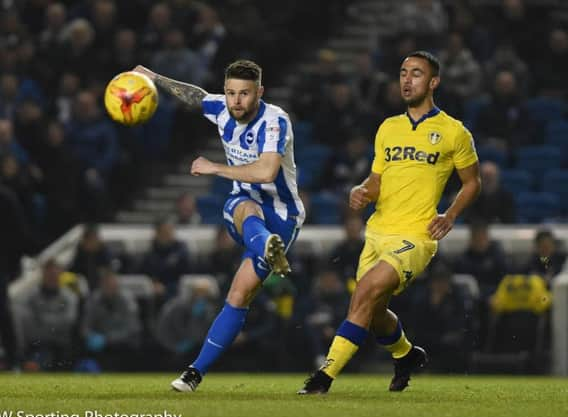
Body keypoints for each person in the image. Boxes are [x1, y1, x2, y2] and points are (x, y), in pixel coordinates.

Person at [298, 51, 480, 394]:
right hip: (377, 231)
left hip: (416, 235)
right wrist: (361, 190)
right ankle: (406, 354)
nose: (407, 80)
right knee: (373, 309)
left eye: (416, 74)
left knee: (364, 293)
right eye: (402, 73)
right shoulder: (388, 127)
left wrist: (451, 214)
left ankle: (323, 378)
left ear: (433, 82)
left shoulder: (454, 132)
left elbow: (472, 183)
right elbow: (376, 180)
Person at [134, 59, 304, 392]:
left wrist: (214, 168)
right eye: (230, 93)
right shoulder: (222, 108)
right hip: (247, 210)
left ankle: (194, 373)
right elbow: (196, 97)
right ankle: (267, 247)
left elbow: (267, 172)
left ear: (260, 92)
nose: (236, 101)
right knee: (244, 204)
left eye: (244, 94)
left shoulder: (275, 121)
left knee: (238, 295)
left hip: (283, 216)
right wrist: (153, 77)